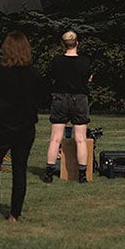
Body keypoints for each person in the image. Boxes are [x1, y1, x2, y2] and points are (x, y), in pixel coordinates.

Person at [0, 31, 46, 224]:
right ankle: (14, 214)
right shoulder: (34, 73)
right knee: (19, 169)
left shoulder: (0, 71)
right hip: (25, 127)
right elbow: (42, 99)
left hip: (3, 125)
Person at [44, 30, 92, 184]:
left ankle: (49, 173)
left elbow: (52, 77)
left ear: (63, 44)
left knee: (55, 138)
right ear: (77, 43)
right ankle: (82, 174)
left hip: (60, 98)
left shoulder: (57, 61)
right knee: (80, 139)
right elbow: (88, 79)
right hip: (79, 98)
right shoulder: (84, 62)